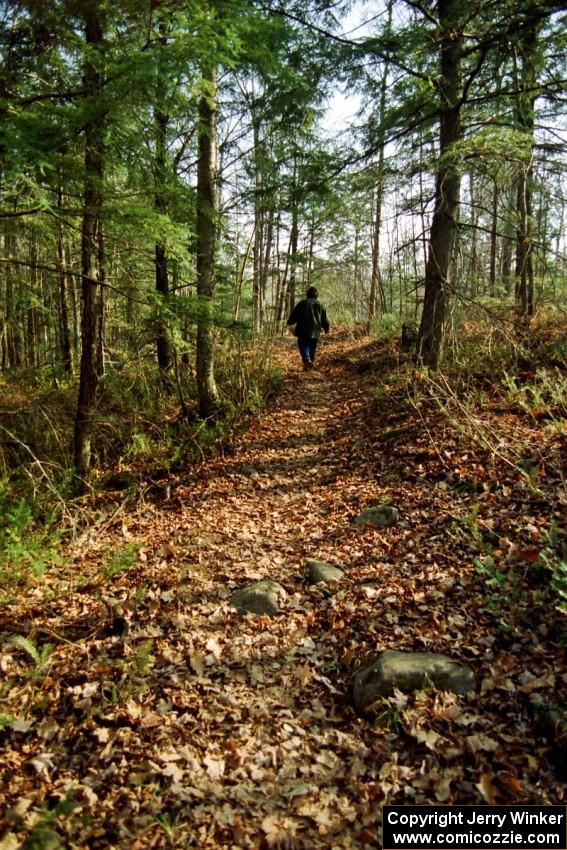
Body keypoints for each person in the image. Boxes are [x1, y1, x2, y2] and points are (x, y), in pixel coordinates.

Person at [286, 286, 330, 370]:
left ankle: (307, 361)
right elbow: (324, 319)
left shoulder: (302, 303)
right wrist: (326, 328)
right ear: (316, 295)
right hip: (315, 331)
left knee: (303, 344)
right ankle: (309, 363)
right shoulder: (321, 305)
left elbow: (294, 315)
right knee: (312, 347)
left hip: (303, 329)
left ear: (307, 294)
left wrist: (290, 322)